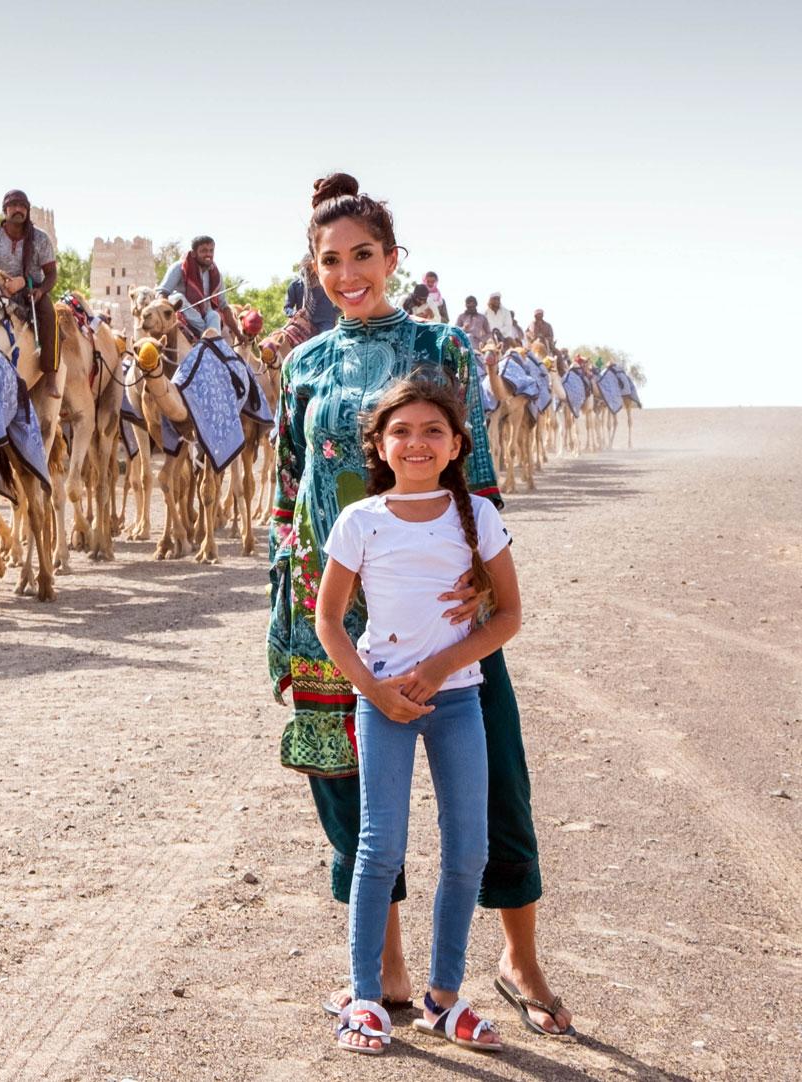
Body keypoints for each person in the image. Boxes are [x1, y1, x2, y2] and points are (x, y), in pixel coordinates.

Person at [267, 170, 574, 1044]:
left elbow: (477, 481)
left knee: (495, 784)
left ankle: (518, 959)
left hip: (446, 614)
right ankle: (388, 970)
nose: (348, 272)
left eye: (364, 254)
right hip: (331, 611)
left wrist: (483, 585)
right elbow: (289, 496)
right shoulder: (301, 364)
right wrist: (286, 613)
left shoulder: (445, 345)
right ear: (314, 267)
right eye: (330, 260)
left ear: (394, 259)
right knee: (354, 797)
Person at [316, 375, 520, 1055]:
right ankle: (366, 998)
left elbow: (511, 616)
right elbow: (330, 623)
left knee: (468, 850)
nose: (417, 441)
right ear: (378, 443)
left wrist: (435, 670)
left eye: (434, 429)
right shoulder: (360, 520)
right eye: (401, 430)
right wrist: (375, 693)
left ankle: (443, 997)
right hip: (383, 706)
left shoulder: (479, 518)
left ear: (458, 444)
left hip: (456, 699)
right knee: (380, 849)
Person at [0, 189, 61, 397]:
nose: (18, 210)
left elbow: (52, 274)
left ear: (27, 211)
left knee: (49, 315)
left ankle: (51, 376)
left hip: (29, 290)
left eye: (22, 206)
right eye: (13, 205)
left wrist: (41, 291)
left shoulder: (41, 239)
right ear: (5, 210)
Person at [157, 235, 241, 342]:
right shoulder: (179, 268)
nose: (208, 254)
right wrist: (162, 314)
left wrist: (238, 334)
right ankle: (206, 335)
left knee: (214, 315)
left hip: (204, 315)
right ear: (193, 253)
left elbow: (224, 307)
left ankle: (214, 344)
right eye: (204, 251)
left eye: (211, 251)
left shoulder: (216, 275)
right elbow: (162, 293)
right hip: (181, 315)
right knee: (178, 298)